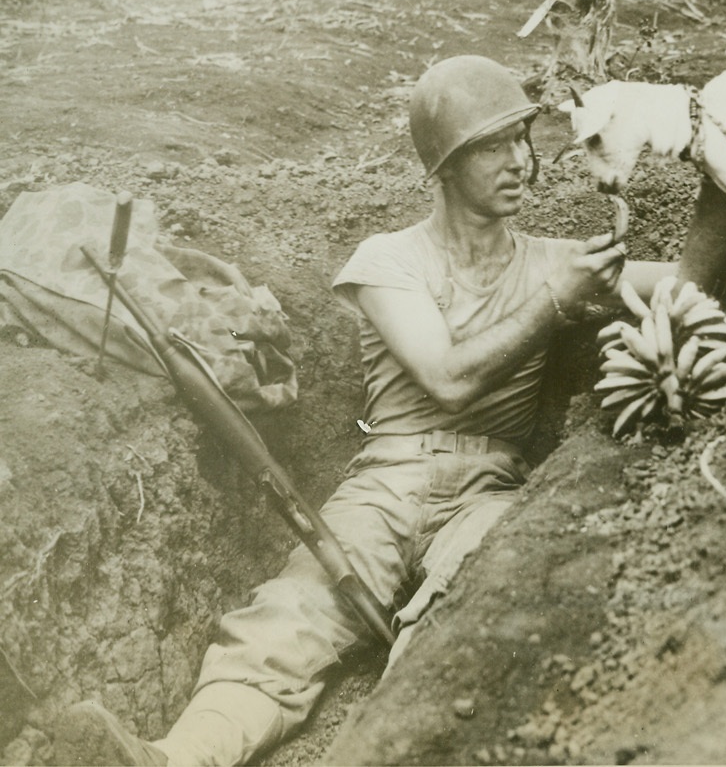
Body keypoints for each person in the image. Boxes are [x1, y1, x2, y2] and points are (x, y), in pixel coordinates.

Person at [54, 55, 671, 766]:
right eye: (493, 146)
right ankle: (176, 758)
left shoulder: (555, 260)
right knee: (289, 617)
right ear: (444, 165)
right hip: (386, 481)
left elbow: (691, 283)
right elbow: (447, 378)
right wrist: (555, 300)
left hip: (492, 488)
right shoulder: (390, 259)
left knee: (468, 614)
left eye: (522, 140)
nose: (520, 162)